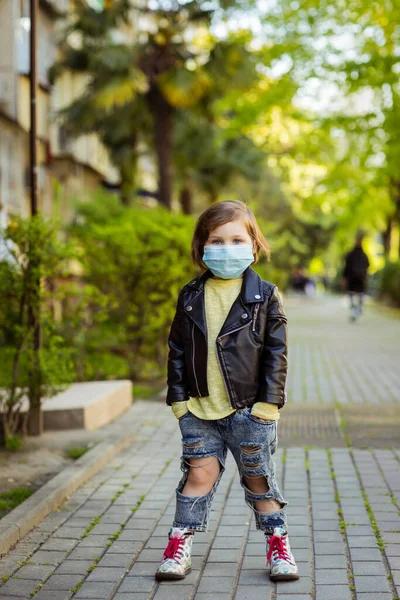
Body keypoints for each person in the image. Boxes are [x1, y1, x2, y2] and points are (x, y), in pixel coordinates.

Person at [155, 200, 299, 583]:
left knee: (258, 479)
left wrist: (268, 405)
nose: (226, 247)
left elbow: (276, 355)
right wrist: (179, 401)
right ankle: (178, 543)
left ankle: (278, 543)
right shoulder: (190, 295)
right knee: (197, 478)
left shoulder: (266, 295)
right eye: (216, 240)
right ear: (202, 246)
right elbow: (178, 350)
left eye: (236, 239)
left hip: (249, 412)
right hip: (200, 411)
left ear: (253, 245)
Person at [343, 231, 370, 322]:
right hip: (356, 278)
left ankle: (356, 311)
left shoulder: (356, 255)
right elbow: (347, 266)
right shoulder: (362, 255)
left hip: (356, 278)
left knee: (356, 295)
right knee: (355, 295)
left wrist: (344, 277)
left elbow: (367, 267)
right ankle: (355, 310)